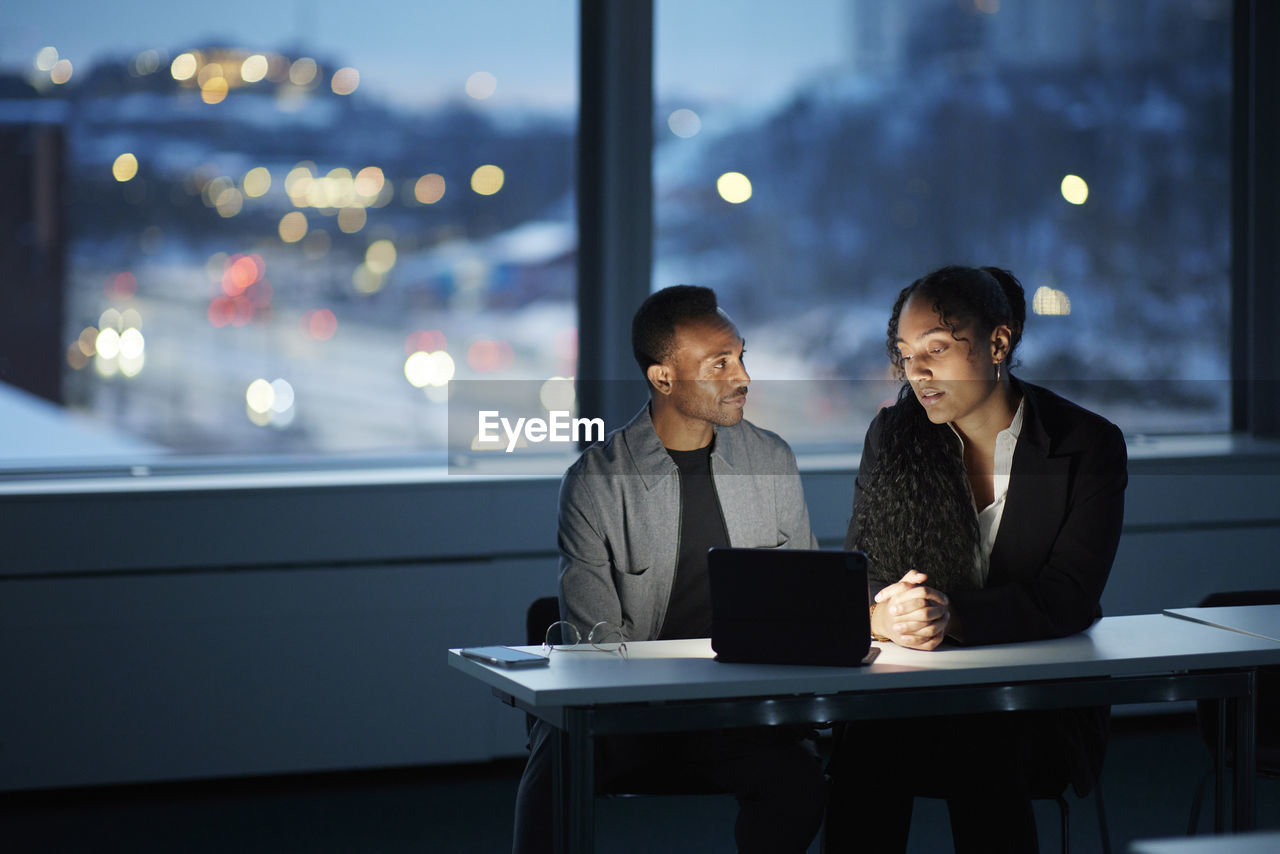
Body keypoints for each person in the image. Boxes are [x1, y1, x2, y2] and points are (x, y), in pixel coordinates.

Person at [823, 265, 1128, 854]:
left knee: (977, 735)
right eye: (906, 353)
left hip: (1034, 701)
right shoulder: (893, 434)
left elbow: (1068, 596)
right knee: (868, 743)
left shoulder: (1088, 442)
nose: (916, 372)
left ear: (999, 343)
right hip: (913, 695)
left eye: (936, 348)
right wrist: (884, 615)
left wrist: (954, 616)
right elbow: (860, 574)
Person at [511, 285, 826, 854]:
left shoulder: (771, 460)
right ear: (663, 378)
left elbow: (803, 607)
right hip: (632, 713)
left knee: (801, 780)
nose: (743, 377)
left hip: (739, 711)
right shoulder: (596, 481)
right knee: (557, 755)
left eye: (741, 356)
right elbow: (597, 645)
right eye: (720, 364)